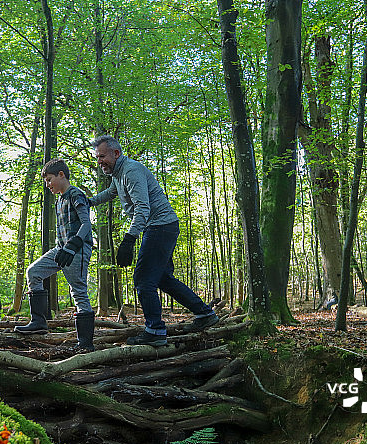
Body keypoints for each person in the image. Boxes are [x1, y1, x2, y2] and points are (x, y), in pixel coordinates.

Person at [88, 134, 218, 347]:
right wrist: (89, 202)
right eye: (97, 157)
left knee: (143, 279)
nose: (99, 161)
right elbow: (112, 192)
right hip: (161, 227)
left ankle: (155, 330)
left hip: (160, 227)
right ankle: (204, 314)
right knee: (163, 279)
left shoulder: (131, 171)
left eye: (102, 156)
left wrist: (129, 239)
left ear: (116, 153)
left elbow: (143, 208)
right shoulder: (118, 174)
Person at [15, 159, 95, 352]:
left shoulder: (75, 194)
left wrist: (74, 244)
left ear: (61, 175)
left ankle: (85, 344)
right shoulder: (58, 200)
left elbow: (86, 224)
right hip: (61, 249)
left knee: (78, 291)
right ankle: (38, 322)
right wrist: (64, 248)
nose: (48, 185)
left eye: (49, 180)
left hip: (77, 250)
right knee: (33, 272)